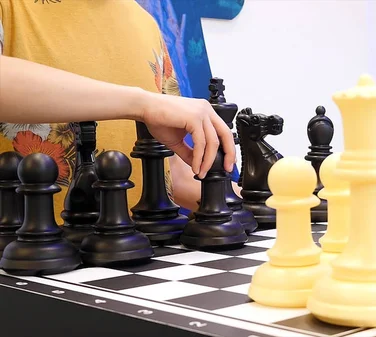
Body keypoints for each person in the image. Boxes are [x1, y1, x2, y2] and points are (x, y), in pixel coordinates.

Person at [0, 0, 237, 222]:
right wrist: (141, 104)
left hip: (139, 258)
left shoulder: (144, 23)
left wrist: (264, 199)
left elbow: (170, 172)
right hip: (24, 259)